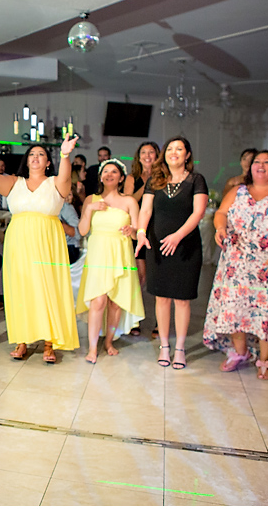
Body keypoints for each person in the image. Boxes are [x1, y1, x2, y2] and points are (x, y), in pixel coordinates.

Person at [0, 135, 80, 364]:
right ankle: (22, 340)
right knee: (21, 288)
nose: (36, 157)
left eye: (41, 154)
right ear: (26, 160)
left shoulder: (56, 183)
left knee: (48, 288)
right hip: (19, 242)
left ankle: (50, 342)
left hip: (48, 242)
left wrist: (65, 154)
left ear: (48, 162)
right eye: (32, 154)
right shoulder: (14, 182)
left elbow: (65, 175)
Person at [204, 150, 268, 378]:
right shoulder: (237, 191)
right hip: (238, 261)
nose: (260, 165)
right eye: (256, 162)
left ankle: (264, 360)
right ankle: (240, 353)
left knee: (266, 310)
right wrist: (220, 228)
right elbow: (221, 213)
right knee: (235, 307)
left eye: (266, 162)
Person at [135, 136, 208, 370]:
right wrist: (140, 232)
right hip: (157, 246)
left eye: (179, 149)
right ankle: (164, 346)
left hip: (186, 246)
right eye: (170, 149)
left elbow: (197, 213)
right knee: (161, 298)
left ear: (187, 155)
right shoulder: (155, 180)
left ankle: (180, 349)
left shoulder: (197, 180)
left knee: (182, 300)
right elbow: (145, 209)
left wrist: (178, 236)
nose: (173, 153)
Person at [77, 159, 144, 363]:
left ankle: (109, 341)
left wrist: (132, 230)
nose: (109, 175)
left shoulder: (129, 201)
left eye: (114, 172)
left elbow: (137, 233)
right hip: (98, 253)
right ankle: (92, 347)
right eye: (105, 171)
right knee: (98, 300)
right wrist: (89, 209)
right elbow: (82, 231)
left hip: (120, 253)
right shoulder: (91, 199)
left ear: (121, 178)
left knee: (115, 303)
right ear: (100, 176)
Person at [125, 141, 160, 337]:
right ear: (138, 157)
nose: (147, 156)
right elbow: (129, 200)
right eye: (143, 152)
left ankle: (158, 322)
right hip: (137, 230)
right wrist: (147, 185)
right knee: (139, 277)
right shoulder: (133, 178)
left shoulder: (164, 177)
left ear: (157, 156)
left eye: (151, 152)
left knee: (156, 277)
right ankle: (135, 320)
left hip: (158, 229)